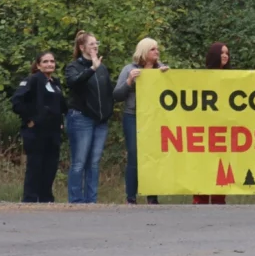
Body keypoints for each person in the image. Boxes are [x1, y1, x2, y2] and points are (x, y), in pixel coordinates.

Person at [114, 37, 169, 205]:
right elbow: (116, 95)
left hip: (155, 118)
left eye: (157, 49)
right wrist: (130, 81)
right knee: (134, 154)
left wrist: (169, 78)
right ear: (144, 51)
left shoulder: (162, 70)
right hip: (133, 116)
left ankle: (152, 196)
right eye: (153, 49)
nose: (157, 52)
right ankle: (131, 197)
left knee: (153, 155)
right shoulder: (129, 69)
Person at [64, 30, 114, 204]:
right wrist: (92, 68)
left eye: (96, 43)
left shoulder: (103, 68)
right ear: (82, 47)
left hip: (100, 121)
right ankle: (76, 200)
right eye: (91, 44)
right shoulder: (73, 67)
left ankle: (91, 200)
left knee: (94, 162)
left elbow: (109, 92)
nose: (95, 46)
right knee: (79, 161)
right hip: (81, 118)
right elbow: (73, 83)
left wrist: (108, 112)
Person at [11, 51, 67, 203]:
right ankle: (29, 199)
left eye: (52, 61)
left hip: (53, 132)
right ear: (38, 65)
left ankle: (46, 199)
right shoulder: (33, 80)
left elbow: (60, 105)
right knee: (35, 166)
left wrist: (60, 121)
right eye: (45, 61)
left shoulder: (55, 82)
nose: (49, 64)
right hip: (36, 131)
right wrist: (30, 119)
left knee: (50, 166)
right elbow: (17, 102)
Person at [193, 42, 231, 205]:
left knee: (222, 163)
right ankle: (200, 198)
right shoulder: (201, 77)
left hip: (224, 128)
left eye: (227, 53)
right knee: (203, 164)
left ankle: (218, 199)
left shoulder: (233, 78)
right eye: (222, 52)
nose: (225, 55)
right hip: (205, 128)